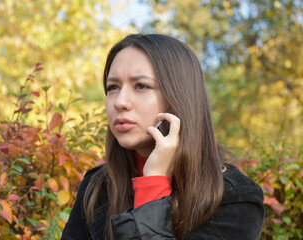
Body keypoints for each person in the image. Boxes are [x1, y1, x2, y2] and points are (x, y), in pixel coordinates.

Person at [61, 34, 265, 240]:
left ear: (178, 99)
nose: (120, 101)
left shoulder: (235, 199)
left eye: (141, 86)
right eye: (113, 87)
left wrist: (153, 183)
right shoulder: (98, 187)